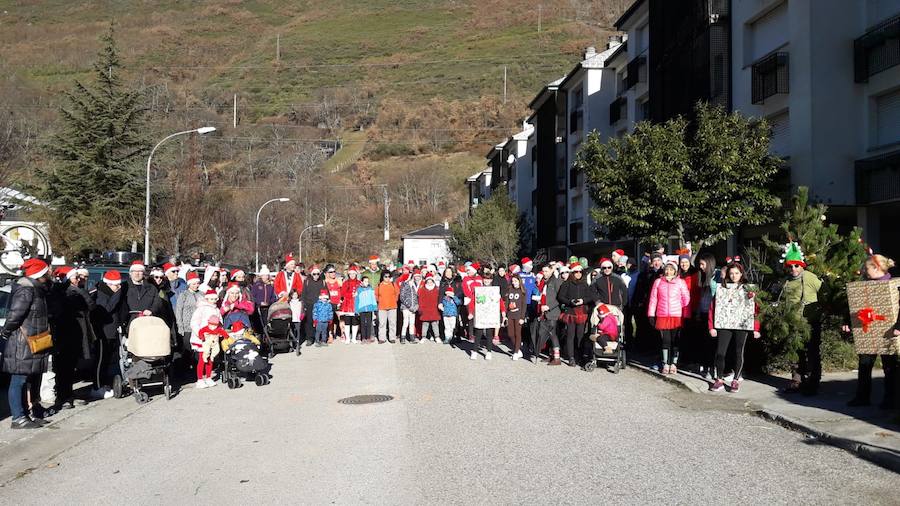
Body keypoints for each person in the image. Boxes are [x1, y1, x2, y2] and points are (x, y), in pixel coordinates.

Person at [2, 258, 53, 428]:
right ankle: (18, 418)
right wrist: (6, 332)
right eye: (47, 271)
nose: (50, 273)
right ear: (40, 274)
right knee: (19, 380)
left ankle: (26, 414)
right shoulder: (26, 290)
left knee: (27, 380)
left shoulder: (37, 289)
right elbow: (15, 315)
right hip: (22, 343)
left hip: (33, 341)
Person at [844, 254, 899, 408]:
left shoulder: (893, 285)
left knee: (890, 367)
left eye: (867, 268)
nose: (864, 271)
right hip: (867, 331)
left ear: (876, 268)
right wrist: (848, 323)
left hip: (888, 331)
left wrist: (898, 327)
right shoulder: (863, 286)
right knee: (865, 364)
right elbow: (856, 306)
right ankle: (862, 397)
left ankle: (891, 400)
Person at [708, 262, 760, 392]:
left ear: (741, 274)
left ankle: (736, 380)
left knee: (738, 352)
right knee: (720, 352)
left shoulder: (749, 289)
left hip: (741, 324)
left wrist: (756, 328)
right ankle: (719, 379)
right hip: (724, 323)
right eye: (731, 273)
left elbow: (756, 309)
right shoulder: (721, 289)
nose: (734, 276)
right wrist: (711, 326)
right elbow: (712, 308)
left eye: (736, 273)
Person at [780, 243, 823, 395]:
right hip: (793, 322)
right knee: (795, 353)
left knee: (812, 353)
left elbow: (824, 292)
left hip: (810, 322)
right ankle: (796, 381)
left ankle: (813, 383)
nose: (793, 269)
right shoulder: (786, 281)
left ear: (802, 265)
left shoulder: (810, 277)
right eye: (790, 266)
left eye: (797, 266)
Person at [55, 266, 96, 409]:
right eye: (75, 277)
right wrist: (80, 291)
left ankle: (69, 394)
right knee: (63, 369)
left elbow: (91, 306)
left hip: (76, 335)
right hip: (65, 336)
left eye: (79, 277)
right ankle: (62, 397)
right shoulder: (64, 293)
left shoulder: (77, 291)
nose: (79, 279)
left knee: (70, 368)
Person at [647, 260, 691, 374]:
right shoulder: (658, 282)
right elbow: (653, 299)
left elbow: (686, 298)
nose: (668, 271)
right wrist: (651, 314)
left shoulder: (680, 282)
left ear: (675, 271)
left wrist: (680, 308)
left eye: (671, 269)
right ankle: (665, 363)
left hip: (676, 315)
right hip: (662, 315)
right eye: (667, 269)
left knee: (675, 340)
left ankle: (674, 363)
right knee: (665, 340)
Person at [91, 270, 125, 392]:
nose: (119, 287)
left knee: (107, 360)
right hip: (103, 332)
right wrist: (118, 294)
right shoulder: (102, 293)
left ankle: (104, 384)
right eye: (117, 285)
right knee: (100, 360)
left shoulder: (110, 292)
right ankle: (97, 386)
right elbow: (107, 309)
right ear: (110, 284)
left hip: (111, 331)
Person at [557, 262, 594, 367]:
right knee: (570, 335)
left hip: (581, 312)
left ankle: (580, 356)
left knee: (580, 336)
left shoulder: (584, 284)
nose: (578, 274)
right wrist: (570, 302)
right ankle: (571, 357)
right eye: (576, 272)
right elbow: (560, 297)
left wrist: (583, 301)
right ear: (572, 273)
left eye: (580, 272)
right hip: (571, 312)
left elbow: (590, 297)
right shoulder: (566, 284)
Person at [694, 253, 720, 379]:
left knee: (712, 342)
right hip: (704, 312)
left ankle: (712, 367)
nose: (701, 267)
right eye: (700, 264)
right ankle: (705, 365)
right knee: (704, 342)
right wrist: (698, 312)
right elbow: (701, 297)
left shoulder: (717, 275)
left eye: (703, 264)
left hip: (714, 314)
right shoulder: (702, 277)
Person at [534, 263, 563, 365]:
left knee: (553, 334)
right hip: (545, 312)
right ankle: (551, 355)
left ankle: (557, 357)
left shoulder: (557, 281)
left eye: (546, 271)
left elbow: (560, 298)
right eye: (543, 271)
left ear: (551, 270)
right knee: (548, 334)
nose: (544, 273)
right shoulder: (546, 281)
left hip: (553, 312)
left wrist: (549, 306)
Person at [174, 271, 202, 368]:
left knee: (198, 348)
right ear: (189, 284)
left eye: (197, 283)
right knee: (187, 348)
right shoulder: (184, 295)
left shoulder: (201, 294)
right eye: (194, 284)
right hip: (187, 326)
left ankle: (197, 367)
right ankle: (185, 367)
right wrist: (180, 326)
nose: (196, 286)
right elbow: (178, 310)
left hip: (198, 326)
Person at [191, 314, 227, 388]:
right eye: (212, 325)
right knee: (202, 360)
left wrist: (226, 336)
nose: (213, 327)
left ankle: (208, 377)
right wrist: (201, 336)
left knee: (210, 360)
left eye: (215, 326)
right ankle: (200, 379)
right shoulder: (200, 310)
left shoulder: (216, 311)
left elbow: (222, 331)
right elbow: (196, 326)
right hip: (204, 342)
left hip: (213, 344)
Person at [299, 265, 325, 346]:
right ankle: (310, 338)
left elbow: (326, 293)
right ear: (311, 274)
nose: (316, 276)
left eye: (318, 274)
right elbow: (303, 294)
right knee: (309, 322)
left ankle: (319, 338)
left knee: (319, 322)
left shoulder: (322, 282)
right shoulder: (307, 282)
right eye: (314, 274)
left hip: (320, 305)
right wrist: (303, 305)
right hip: (309, 304)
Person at [504, 275, 527, 361]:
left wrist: (522, 317)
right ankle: (518, 349)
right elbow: (507, 302)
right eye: (513, 281)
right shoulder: (510, 289)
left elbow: (524, 305)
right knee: (510, 334)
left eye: (516, 281)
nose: (514, 283)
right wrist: (505, 314)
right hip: (510, 315)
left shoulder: (523, 291)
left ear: (519, 281)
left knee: (518, 334)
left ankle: (516, 352)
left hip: (518, 315)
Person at [375, 271, 399, 344]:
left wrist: (395, 299)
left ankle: (392, 337)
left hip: (392, 306)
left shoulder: (393, 284)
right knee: (382, 323)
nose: (387, 278)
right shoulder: (379, 285)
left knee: (392, 323)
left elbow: (397, 292)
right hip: (382, 307)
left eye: (389, 276)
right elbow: (376, 295)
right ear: (382, 277)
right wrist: (379, 300)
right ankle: (382, 338)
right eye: (386, 276)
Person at [339, 266, 362, 343]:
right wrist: (350, 295)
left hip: (356, 304)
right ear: (348, 275)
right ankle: (347, 338)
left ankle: (354, 338)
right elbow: (342, 293)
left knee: (355, 322)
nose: (352, 275)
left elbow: (362, 293)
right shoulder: (346, 283)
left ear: (356, 274)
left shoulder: (359, 283)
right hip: (347, 304)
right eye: (350, 274)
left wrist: (357, 294)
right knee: (347, 322)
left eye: (353, 274)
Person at [250, 265, 276, 333]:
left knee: (266, 324)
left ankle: (266, 337)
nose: (265, 277)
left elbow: (273, 297)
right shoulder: (257, 285)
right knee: (259, 325)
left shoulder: (270, 286)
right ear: (261, 276)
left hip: (267, 308)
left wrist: (269, 302)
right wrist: (259, 302)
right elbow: (252, 297)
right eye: (264, 275)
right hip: (258, 308)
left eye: (267, 275)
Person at [399, 270, 421, 343]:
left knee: (412, 323)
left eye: (418, 276)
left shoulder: (416, 285)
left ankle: (412, 338)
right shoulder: (405, 284)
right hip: (406, 307)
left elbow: (416, 297)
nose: (416, 278)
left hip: (413, 307)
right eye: (415, 276)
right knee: (405, 322)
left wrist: (416, 306)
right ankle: (403, 337)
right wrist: (409, 306)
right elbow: (402, 297)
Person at [417, 274, 441, 342]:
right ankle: (423, 336)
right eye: (428, 282)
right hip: (425, 309)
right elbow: (421, 300)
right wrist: (420, 308)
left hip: (434, 309)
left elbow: (439, 299)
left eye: (431, 282)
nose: (429, 283)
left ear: (433, 282)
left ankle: (437, 336)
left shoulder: (436, 289)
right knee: (425, 324)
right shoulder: (423, 290)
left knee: (435, 324)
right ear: (426, 282)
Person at [355, 277, 378, 344]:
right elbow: (357, 300)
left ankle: (368, 337)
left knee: (369, 323)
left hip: (369, 309)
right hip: (362, 309)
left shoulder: (371, 289)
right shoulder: (359, 290)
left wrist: (375, 308)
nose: (366, 283)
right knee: (362, 324)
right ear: (361, 282)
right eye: (365, 281)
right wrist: (356, 310)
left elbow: (373, 299)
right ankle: (363, 338)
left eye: (367, 281)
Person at [323, 265, 342, 342]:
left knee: (341, 319)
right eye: (331, 272)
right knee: (330, 320)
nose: (333, 273)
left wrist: (341, 300)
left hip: (338, 303)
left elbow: (343, 291)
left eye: (334, 271)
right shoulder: (325, 282)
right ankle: (330, 335)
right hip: (330, 303)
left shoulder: (339, 280)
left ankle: (343, 334)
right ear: (327, 273)